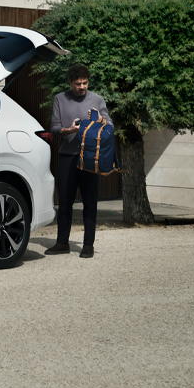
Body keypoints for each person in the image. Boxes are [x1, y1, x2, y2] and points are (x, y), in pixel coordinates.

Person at [47, 63, 112, 259]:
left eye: (84, 83)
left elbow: (110, 125)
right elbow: (55, 128)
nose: (81, 87)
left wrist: (101, 120)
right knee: (65, 202)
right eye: (77, 84)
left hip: (91, 158)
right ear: (70, 83)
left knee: (90, 202)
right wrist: (70, 130)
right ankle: (62, 242)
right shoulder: (60, 99)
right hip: (67, 156)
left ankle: (88, 245)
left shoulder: (98, 100)